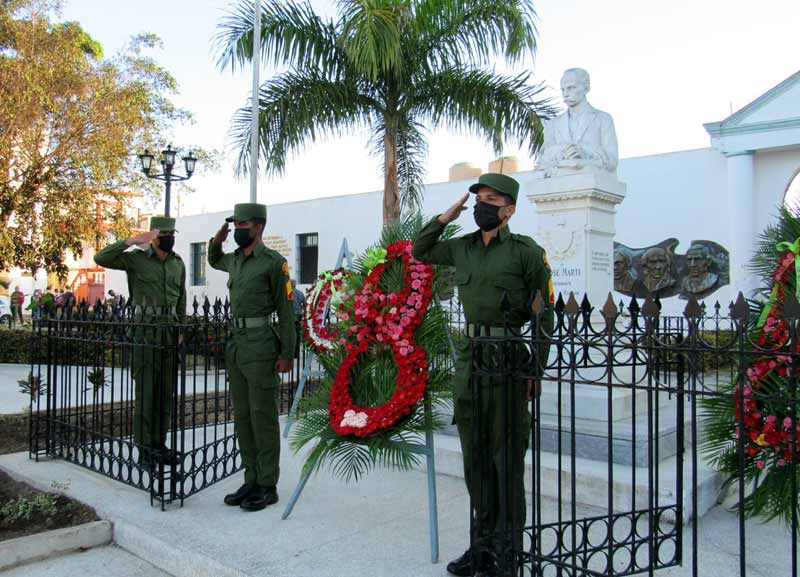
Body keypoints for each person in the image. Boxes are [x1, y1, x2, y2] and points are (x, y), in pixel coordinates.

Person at [412, 173, 554, 576]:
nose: (482, 206)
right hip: (471, 360)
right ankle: (481, 544)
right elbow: (422, 251)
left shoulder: (527, 252)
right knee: (474, 457)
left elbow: (546, 316)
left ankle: (507, 550)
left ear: (509, 209)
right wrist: (445, 216)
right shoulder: (463, 248)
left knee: (505, 458)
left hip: (508, 356)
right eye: (478, 199)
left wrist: (535, 369)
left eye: (491, 200)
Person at [208, 203, 296, 512]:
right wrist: (216, 240)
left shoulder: (273, 263)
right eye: (234, 225)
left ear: (257, 227)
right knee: (243, 417)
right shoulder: (234, 260)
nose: (237, 230)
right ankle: (251, 479)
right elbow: (213, 259)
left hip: (261, 346)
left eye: (242, 225)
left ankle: (267, 484)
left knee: (263, 417)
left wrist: (287, 353)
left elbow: (286, 314)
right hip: (237, 345)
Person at [94, 216, 186, 468]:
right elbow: (100, 258)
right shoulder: (136, 259)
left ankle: (159, 444)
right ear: (153, 236)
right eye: (164, 234)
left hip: (169, 331)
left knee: (165, 393)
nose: (169, 238)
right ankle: (145, 449)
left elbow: (182, 298)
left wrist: (181, 329)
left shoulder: (178, 263)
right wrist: (131, 241)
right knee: (146, 392)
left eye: (171, 233)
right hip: (145, 332)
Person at [537, 68, 618, 177]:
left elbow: (612, 160)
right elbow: (544, 158)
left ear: (586, 88)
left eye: (571, 88)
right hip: (560, 181)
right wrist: (564, 151)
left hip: (591, 181)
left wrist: (585, 152)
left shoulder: (603, 119)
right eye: (563, 90)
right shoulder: (553, 124)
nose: (566, 94)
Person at [291, 279, 305, 358]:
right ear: (295, 285)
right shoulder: (300, 293)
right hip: (299, 316)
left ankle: (291, 353)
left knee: (290, 335)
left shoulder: (288, 293)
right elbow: (305, 303)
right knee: (297, 335)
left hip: (290, 317)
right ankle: (296, 353)